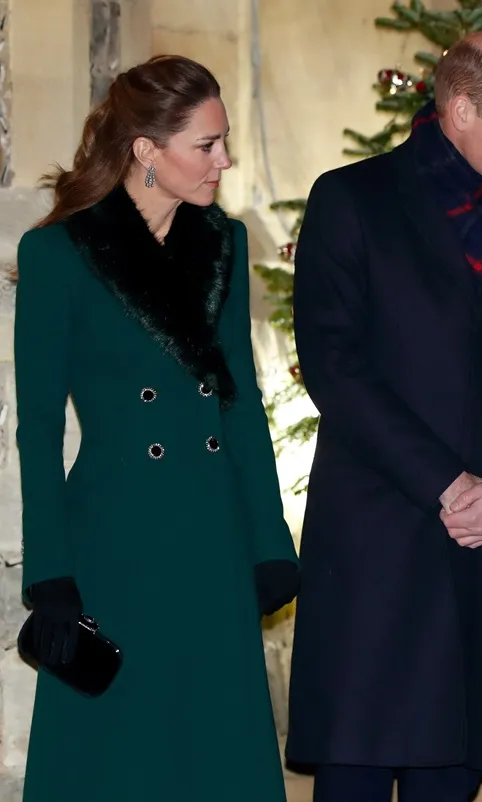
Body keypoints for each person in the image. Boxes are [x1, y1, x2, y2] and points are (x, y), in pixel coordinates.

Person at [285, 31, 482, 802]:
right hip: (373, 542)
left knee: (450, 777)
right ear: (458, 110)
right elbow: (334, 366)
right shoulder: (351, 199)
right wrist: (449, 485)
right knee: (352, 773)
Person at [14, 55, 300, 801]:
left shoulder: (224, 247)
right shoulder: (57, 254)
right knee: (118, 761)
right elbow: (38, 430)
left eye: (224, 141)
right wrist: (50, 578)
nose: (224, 160)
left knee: (216, 755)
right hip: (115, 544)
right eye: (206, 145)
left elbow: (239, 404)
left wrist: (269, 542)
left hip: (212, 537)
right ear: (146, 149)